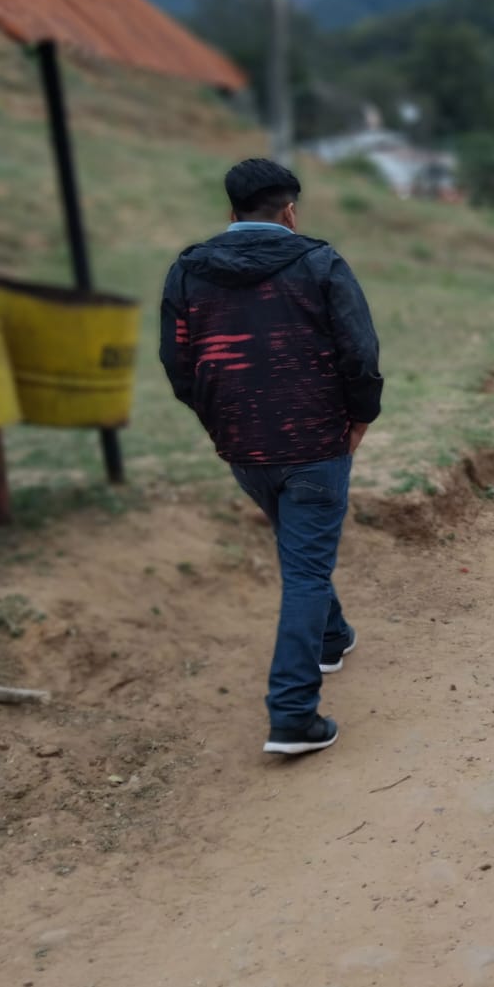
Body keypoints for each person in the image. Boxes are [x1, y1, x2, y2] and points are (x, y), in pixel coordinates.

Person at [159, 159, 382, 755]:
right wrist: (361, 415)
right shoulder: (320, 262)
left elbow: (177, 363)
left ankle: (331, 637)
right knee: (305, 567)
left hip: (243, 445)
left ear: (230, 212)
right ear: (290, 211)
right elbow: (359, 351)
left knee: (299, 544)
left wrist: (220, 419)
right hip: (315, 441)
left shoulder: (187, 271)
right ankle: (292, 714)